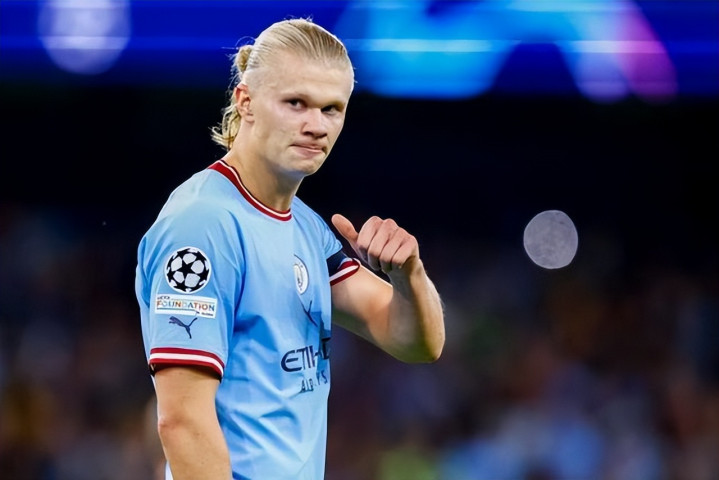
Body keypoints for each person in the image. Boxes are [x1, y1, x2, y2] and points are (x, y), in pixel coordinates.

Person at [135, 17, 445, 480]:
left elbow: (416, 342)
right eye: (296, 103)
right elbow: (182, 423)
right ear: (246, 101)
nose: (316, 125)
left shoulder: (305, 226)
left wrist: (409, 276)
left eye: (331, 109)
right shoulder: (203, 224)